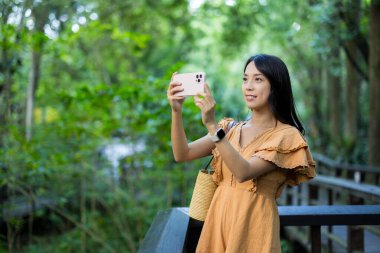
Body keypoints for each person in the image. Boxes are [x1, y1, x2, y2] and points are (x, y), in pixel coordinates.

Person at [167, 54, 316, 253]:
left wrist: (212, 126)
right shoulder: (230, 129)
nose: (249, 86)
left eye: (258, 79)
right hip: (218, 221)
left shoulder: (286, 136)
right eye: (245, 79)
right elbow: (182, 153)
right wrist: (176, 112)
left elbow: (243, 172)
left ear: (276, 86)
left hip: (253, 227)